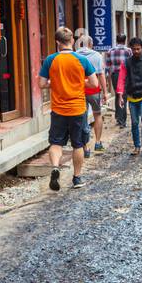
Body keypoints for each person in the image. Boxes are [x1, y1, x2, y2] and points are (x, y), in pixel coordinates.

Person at [38, 26, 100, 191]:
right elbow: (95, 83)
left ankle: (55, 167)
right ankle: (77, 178)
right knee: (78, 144)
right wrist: (81, 83)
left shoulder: (50, 60)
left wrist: (55, 83)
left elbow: (42, 84)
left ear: (57, 42)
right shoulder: (82, 60)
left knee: (56, 143)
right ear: (72, 41)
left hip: (58, 109)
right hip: (78, 109)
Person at [74, 30, 106, 154]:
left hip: (79, 91)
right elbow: (101, 75)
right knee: (97, 115)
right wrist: (104, 92)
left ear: (80, 44)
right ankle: (98, 143)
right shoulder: (97, 55)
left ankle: (85, 148)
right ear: (91, 44)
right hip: (94, 90)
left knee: (82, 118)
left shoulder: (74, 55)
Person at [105, 35, 131, 129]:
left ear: (116, 40)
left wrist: (107, 79)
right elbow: (131, 64)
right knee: (123, 96)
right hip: (125, 75)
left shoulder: (110, 51)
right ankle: (122, 121)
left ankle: (118, 117)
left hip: (115, 75)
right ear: (125, 40)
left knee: (117, 95)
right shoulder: (128, 51)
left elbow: (107, 67)